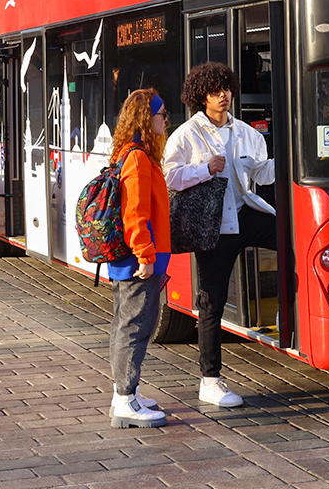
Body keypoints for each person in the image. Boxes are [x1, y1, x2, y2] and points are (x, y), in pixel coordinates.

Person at [164, 62, 275, 409]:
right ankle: (210, 381)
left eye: (226, 88)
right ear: (202, 96)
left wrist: (294, 155)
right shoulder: (186, 135)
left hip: (247, 215)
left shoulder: (245, 132)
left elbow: (264, 175)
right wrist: (204, 169)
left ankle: (287, 316)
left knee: (297, 243)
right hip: (214, 227)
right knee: (211, 301)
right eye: (214, 91)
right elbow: (169, 176)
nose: (223, 95)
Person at [104, 89, 171, 428]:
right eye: (162, 114)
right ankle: (125, 400)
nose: (166, 120)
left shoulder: (127, 154)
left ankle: (126, 393)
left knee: (125, 326)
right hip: (139, 260)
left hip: (129, 260)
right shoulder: (138, 159)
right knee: (135, 328)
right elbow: (135, 214)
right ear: (146, 119)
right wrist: (146, 255)